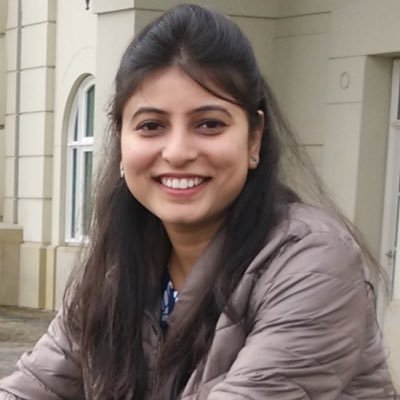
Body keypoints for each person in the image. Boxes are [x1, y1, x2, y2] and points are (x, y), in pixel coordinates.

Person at [0, 3, 398, 400]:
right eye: (151, 125)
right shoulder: (115, 268)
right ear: (121, 141)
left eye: (209, 124)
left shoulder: (313, 264)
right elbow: (32, 388)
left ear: (254, 139)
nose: (177, 152)